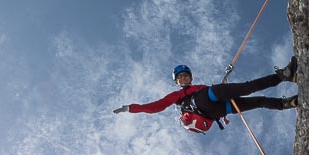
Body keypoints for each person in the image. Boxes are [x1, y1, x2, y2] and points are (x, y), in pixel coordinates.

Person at [112, 57, 298, 133]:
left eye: (186, 75)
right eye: (180, 77)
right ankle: (282, 76)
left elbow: (155, 107)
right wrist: (131, 108)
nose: (183, 78)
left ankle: (286, 104)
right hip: (204, 100)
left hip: (216, 111)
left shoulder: (194, 89)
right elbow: (155, 106)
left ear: (190, 78)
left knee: (258, 101)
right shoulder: (178, 96)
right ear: (177, 82)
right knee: (246, 88)